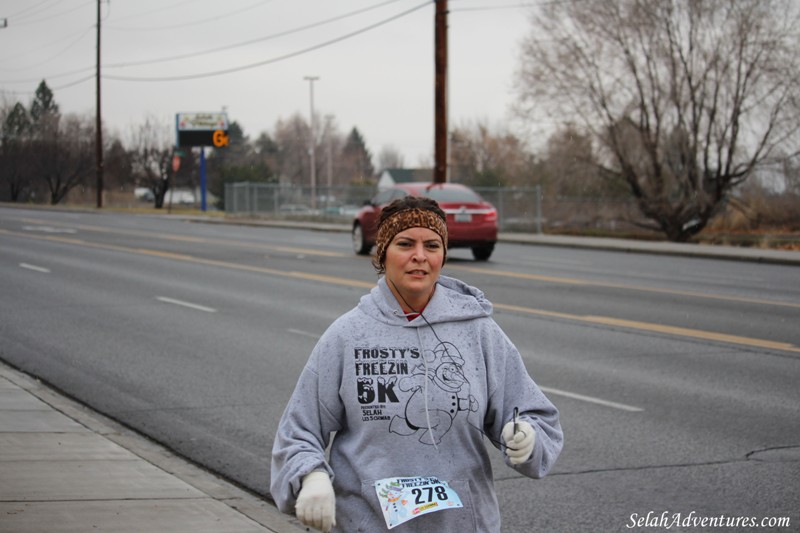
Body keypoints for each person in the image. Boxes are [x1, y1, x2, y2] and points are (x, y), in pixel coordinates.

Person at [270, 195, 563, 532]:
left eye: (432, 245)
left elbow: (532, 414)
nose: (419, 257)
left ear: (443, 254)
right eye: (405, 244)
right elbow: (298, 431)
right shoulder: (347, 336)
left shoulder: (478, 331)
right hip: (367, 524)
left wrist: (528, 437)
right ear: (383, 253)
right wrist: (311, 476)